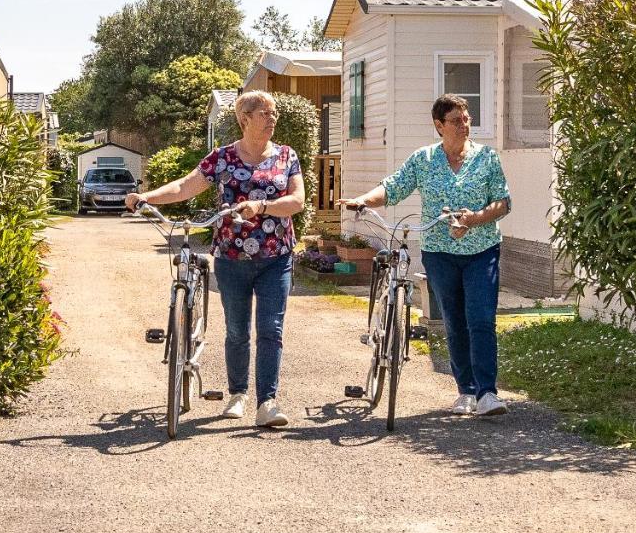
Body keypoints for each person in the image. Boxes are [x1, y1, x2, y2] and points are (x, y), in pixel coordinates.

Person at [125, 91, 305, 429]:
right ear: (245, 119)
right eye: (265, 112)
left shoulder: (286, 156)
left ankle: (267, 402)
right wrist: (146, 197)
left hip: (275, 257)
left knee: (271, 329)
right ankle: (238, 394)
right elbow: (185, 186)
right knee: (237, 330)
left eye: (274, 112)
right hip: (231, 258)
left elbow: (297, 201)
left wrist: (262, 206)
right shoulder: (222, 158)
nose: (273, 118)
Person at [340, 94, 512, 417]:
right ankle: (466, 391)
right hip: (440, 253)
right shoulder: (424, 160)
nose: (464, 125)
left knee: (480, 318)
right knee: (454, 320)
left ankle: (488, 392)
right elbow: (393, 187)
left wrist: (474, 219)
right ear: (439, 125)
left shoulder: (487, 158)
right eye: (456, 120)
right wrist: (363, 199)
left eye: (466, 118)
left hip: (482, 251)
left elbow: (503, 202)